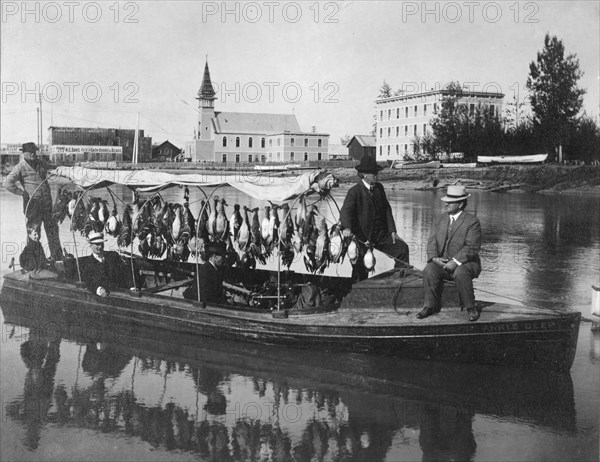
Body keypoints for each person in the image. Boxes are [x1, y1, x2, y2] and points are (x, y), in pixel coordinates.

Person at [417, 185, 482, 322]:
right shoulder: (439, 219)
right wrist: (434, 258)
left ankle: (471, 307)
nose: (446, 203)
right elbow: (432, 241)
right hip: (442, 261)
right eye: (446, 200)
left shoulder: (472, 221)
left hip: (466, 263)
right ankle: (429, 306)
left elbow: (472, 247)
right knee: (429, 270)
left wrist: (456, 262)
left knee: (460, 272)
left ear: (461, 204)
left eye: (450, 202)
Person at [340, 156, 410, 281]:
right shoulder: (354, 192)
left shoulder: (379, 188)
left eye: (376, 172)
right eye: (374, 173)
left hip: (381, 236)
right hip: (362, 238)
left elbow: (387, 209)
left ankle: (399, 280)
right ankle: (357, 292)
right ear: (364, 175)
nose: (377, 175)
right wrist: (347, 228)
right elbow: (346, 212)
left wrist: (392, 230)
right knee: (360, 269)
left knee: (402, 249)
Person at [4, 142, 63, 260]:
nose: (33, 154)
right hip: (33, 205)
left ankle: (57, 258)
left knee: (52, 230)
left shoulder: (41, 163)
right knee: (34, 232)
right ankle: (34, 260)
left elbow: (54, 170)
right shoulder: (20, 167)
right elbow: (7, 184)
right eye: (30, 152)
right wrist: (22, 193)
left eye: (34, 151)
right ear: (24, 153)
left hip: (46, 203)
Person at [78, 231, 135, 296]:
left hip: (121, 293)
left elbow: (125, 272)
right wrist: (98, 289)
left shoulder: (113, 255)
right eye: (97, 244)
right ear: (90, 245)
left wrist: (132, 287)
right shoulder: (87, 263)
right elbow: (89, 281)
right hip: (103, 296)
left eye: (101, 244)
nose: (100, 247)